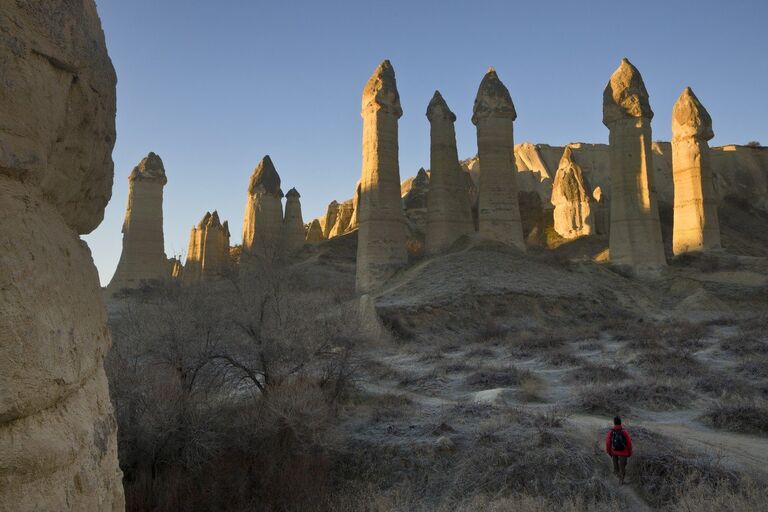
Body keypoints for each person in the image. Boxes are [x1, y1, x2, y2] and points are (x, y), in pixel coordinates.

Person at [605, 416, 632, 484]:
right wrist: (629, 453)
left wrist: (609, 452)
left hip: (614, 452)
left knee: (616, 467)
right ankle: (621, 481)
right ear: (620, 423)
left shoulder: (610, 432)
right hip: (624, 452)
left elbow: (608, 443)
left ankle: (616, 477)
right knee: (622, 468)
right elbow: (629, 443)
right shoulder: (624, 432)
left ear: (614, 423)